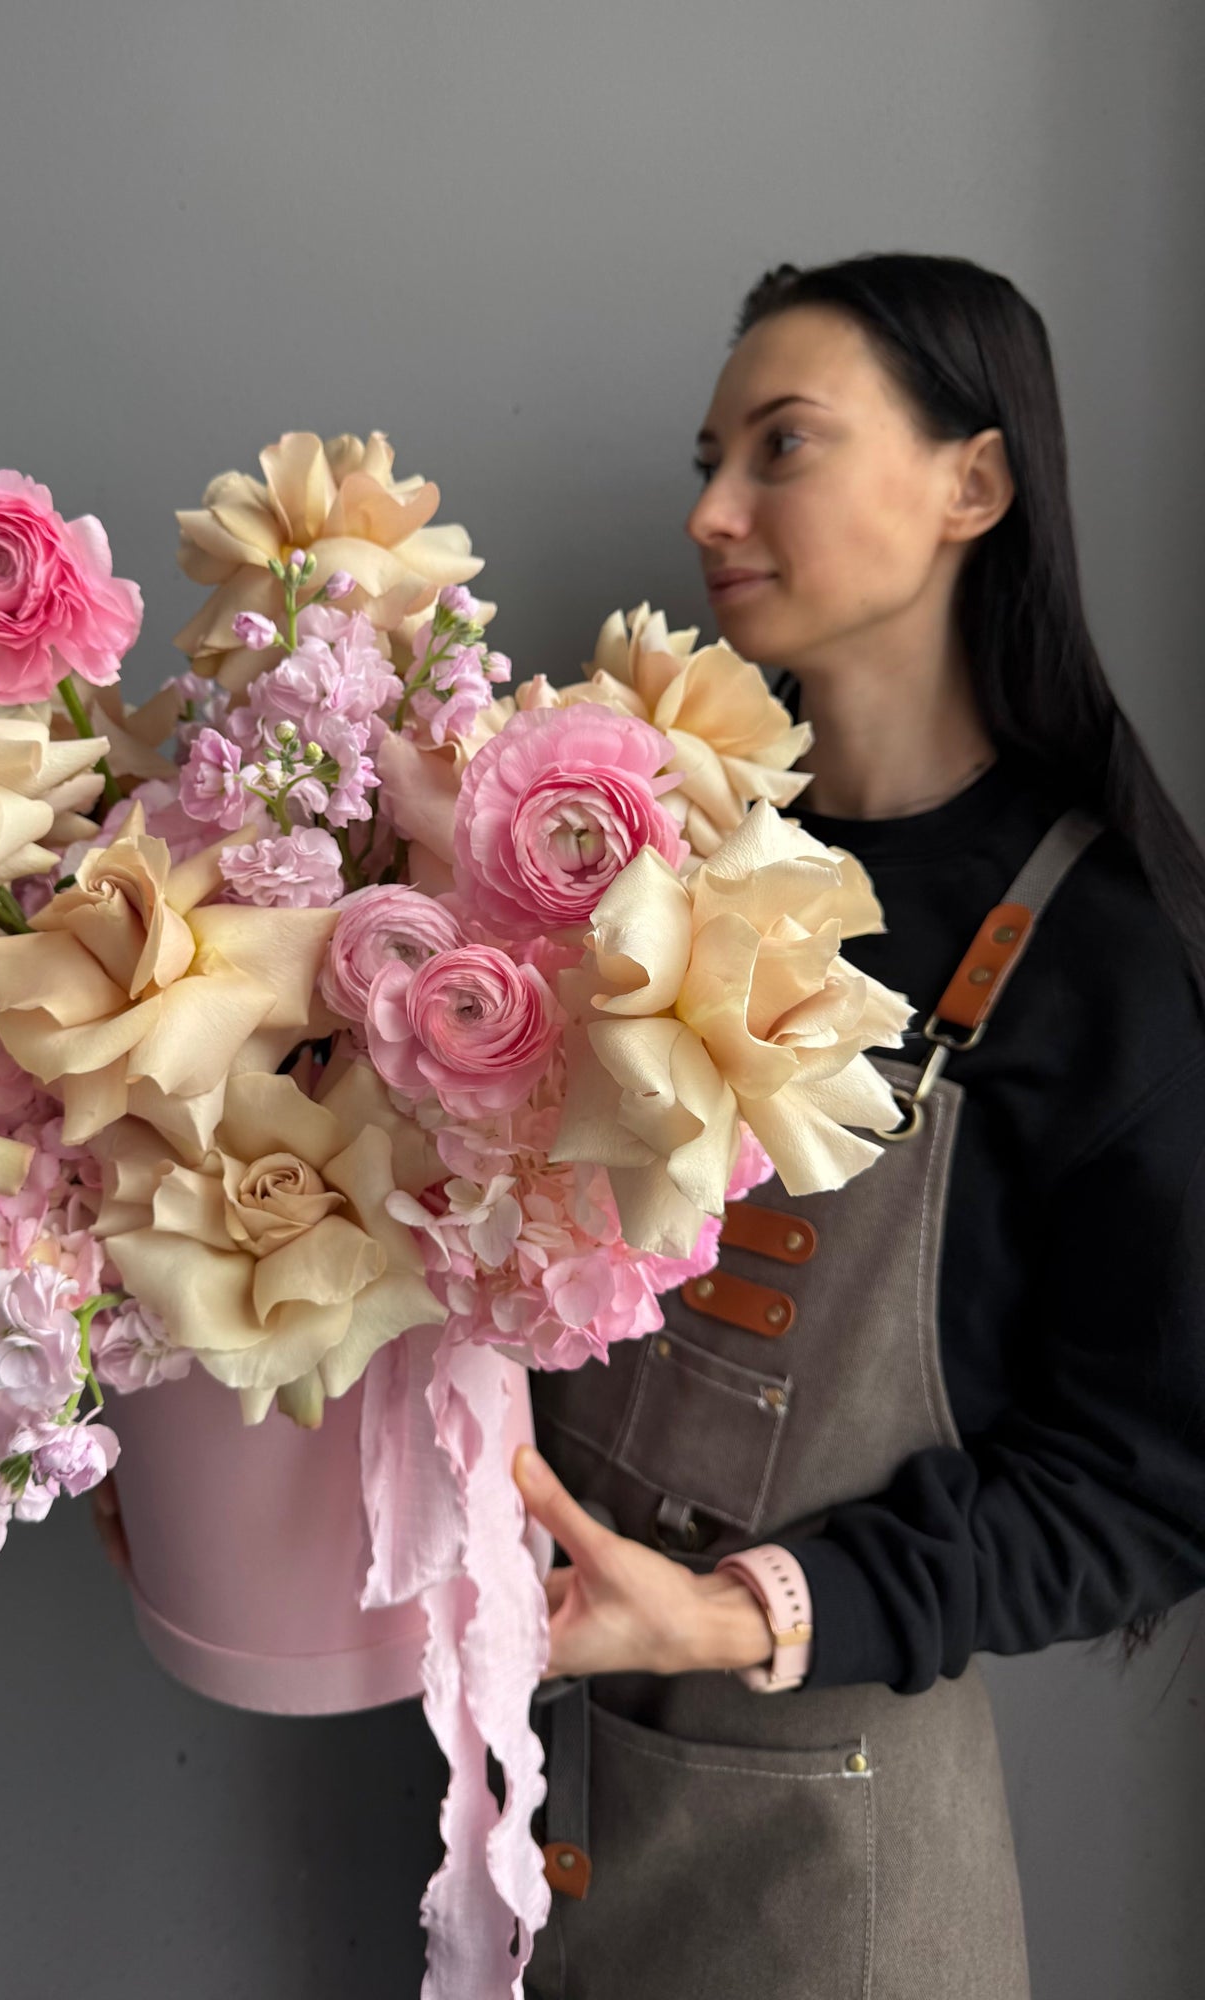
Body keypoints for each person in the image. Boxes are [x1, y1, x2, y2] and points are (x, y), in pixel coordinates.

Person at [515, 251, 1205, 1998]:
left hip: (831, 1883)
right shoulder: (653, 853)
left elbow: (1154, 1484)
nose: (712, 512)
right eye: (706, 459)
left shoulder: (1102, 956)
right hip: (524, 1815)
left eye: (782, 446)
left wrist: (741, 1611)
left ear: (972, 484)